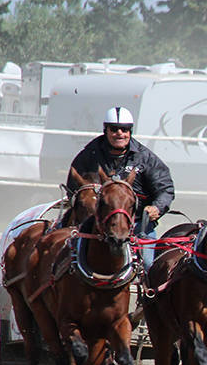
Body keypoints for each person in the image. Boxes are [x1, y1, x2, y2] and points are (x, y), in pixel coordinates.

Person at [67, 106, 174, 269]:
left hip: (137, 224)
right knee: (65, 257)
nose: (120, 133)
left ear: (130, 131)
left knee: (147, 265)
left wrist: (157, 208)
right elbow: (74, 188)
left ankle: (146, 294)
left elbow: (165, 189)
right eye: (114, 129)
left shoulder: (145, 158)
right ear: (106, 130)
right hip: (94, 226)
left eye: (125, 129)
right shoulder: (89, 155)